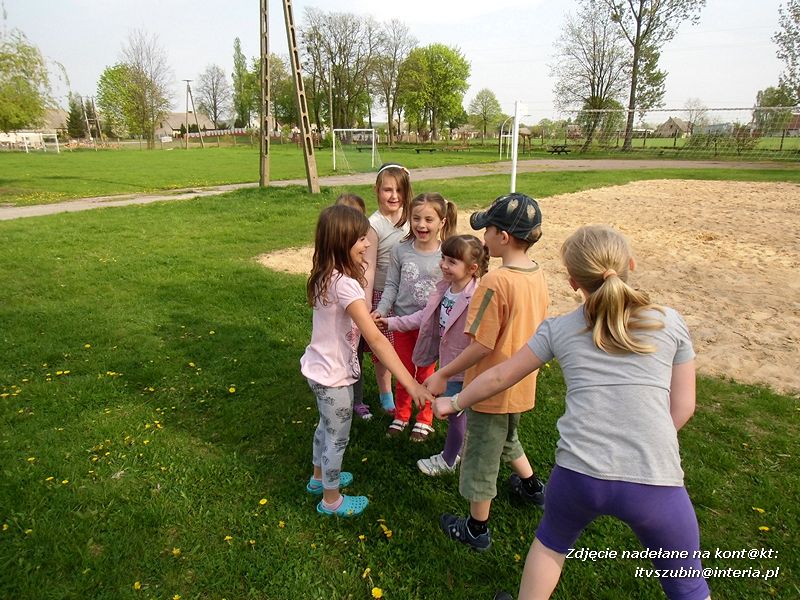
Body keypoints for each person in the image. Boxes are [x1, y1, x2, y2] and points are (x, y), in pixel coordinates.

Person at [434, 225, 711, 600]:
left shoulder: (560, 329)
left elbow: (499, 374)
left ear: (572, 282)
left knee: (551, 545)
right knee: (688, 584)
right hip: (656, 478)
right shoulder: (670, 322)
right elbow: (683, 407)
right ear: (629, 264)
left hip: (579, 475)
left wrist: (455, 402)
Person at [425, 192, 549, 551]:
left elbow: (481, 345)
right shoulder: (536, 275)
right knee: (508, 439)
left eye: (488, 231)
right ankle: (531, 488)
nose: (483, 238)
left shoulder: (496, 283)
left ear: (504, 238)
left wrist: (443, 373)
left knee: (480, 456)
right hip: (520, 383)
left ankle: (476, 528)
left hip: (490, 387)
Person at [300, 204, 433, 517]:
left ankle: (318, 479)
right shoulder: (345, 285)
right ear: (342, 242)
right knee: (337, 437)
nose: (368, 243)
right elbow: (375, 339)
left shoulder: (325, 274)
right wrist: (410, 383)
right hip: (334, 377)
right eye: (361, 239)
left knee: (324, 426)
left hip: (317, 370)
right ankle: (331, 500)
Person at [378, 234, 488, 474]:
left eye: (452, 262)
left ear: (472, 268)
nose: (444, 266)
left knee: (456, 413)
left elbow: (480, 338)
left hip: (462, 368)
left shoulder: (476, 297)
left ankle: (450, 459)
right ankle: (461, 450)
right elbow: (424, 317)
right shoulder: (445, 289)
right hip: (448, 364)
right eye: (444, 259)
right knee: (456, 413)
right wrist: (393, 323)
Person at [373, 192, 458, 441]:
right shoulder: (401, 249)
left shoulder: (446, 254)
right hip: (401, 323)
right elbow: (391, 284)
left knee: (427, 374)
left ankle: (424, 418)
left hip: (430, 327)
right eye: (416, 218)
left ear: (442, 222)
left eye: (429, 219)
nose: (422, 225)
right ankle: (401, 415)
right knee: (403, 372)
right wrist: (383, 309)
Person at [357, 164, 414, 421]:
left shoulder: (412, 218)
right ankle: (386, 394)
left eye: (399, 190)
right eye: (387, 190)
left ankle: (411, 389)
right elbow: (367, 269)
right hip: (382, 295)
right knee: (384, 351)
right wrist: (368, 303)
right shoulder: (373, 225)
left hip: (410, 295)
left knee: (409, 347)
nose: (393, 196)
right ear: (376, 190)